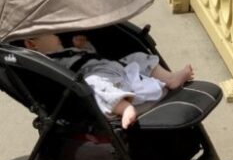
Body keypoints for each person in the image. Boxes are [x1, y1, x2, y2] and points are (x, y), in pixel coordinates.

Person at [23, 32, 194, 129]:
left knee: (138, 57)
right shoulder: (49, 62)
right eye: (50, 33)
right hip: (97, 76)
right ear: (32, 45)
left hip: (115, 68)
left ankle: (170, 78)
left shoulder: (66, 49)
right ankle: (124, 107)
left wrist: (83, 47)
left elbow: (92, 55)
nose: (56, 34)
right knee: (98, 84)